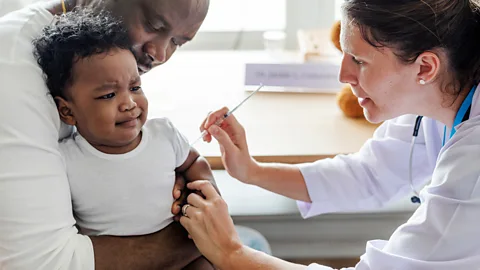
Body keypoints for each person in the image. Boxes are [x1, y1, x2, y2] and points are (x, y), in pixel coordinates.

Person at [178, 0, 480, 269]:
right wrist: (251, 171)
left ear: (425, 67)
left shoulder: (473, 164)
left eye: (359, 61)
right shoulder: (439, 96)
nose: (343, 76)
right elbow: (368, 175)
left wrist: (231, 254)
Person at [0, 0, 211, 269]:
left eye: (177, 42)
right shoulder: (12, 68)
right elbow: (40, 262)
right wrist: (203, 238)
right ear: (65, 108)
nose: (160, 54)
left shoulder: (98, 59)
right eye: (152, 25)